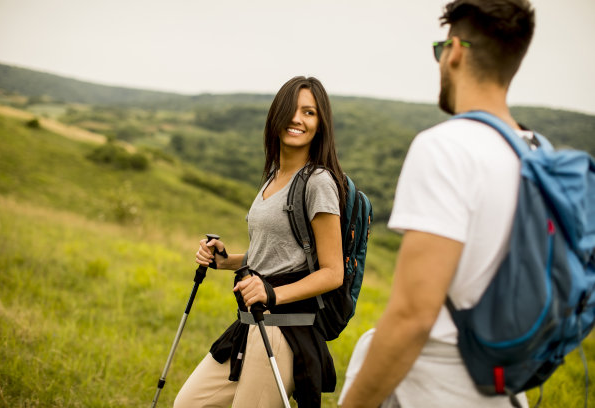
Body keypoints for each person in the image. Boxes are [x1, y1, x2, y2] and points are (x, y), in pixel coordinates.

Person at [340, 1, 536, 407]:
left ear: (456, 51)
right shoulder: (535, 152)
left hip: (432, 389)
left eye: (439, 49)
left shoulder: (445, 147)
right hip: (503, 389)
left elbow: (413, 317)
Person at [174, 76, 346, 408]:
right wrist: (225, 260)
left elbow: (332, 272)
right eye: (292, 110)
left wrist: (273, 293)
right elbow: (273, 254)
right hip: (250, 323)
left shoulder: (318, 182)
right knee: (189, 403)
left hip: (283, 330)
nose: (298, 119)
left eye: (309, 113)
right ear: (276, 116)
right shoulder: (273, 175)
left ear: (321, 124)